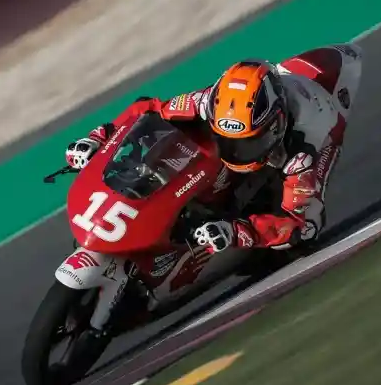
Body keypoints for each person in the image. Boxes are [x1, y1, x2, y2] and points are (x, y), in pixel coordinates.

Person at [65, 44, 363, 254]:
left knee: (304, 234)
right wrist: (98, 138)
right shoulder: (207, 101)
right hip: (269, 97)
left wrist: (236, 232)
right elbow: (148, 109)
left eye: (248, 142)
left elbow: (303, 224)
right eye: (229, 139)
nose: (235, 151)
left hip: (323, 121)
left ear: (275, 125)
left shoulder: (305, 148)